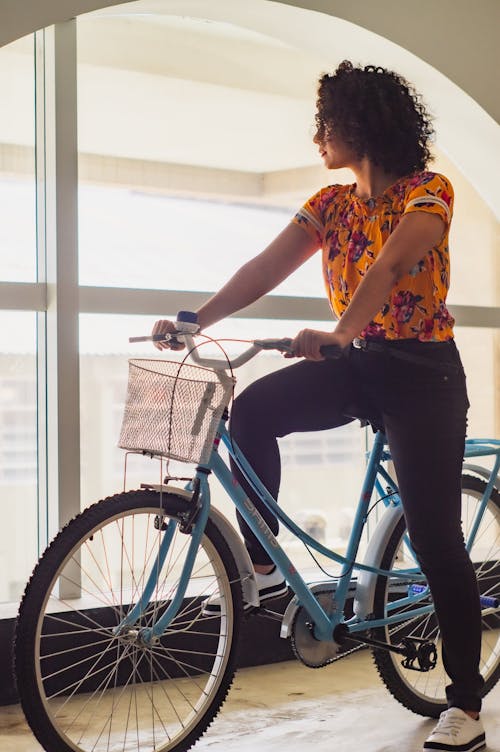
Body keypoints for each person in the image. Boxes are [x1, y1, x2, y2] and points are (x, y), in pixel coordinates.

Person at [152, 61, 486, 752]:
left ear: (358, 125)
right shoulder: (331, 203)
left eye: (326, 123)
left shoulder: (430, 192)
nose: (318, 138)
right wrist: (198, 316)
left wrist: (338, 331)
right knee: (251, 413)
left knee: (436, 540)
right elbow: (265, 268)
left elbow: (391, 265)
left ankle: (466, 704)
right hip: (360, 364)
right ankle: (266, 569)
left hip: (424, 373)